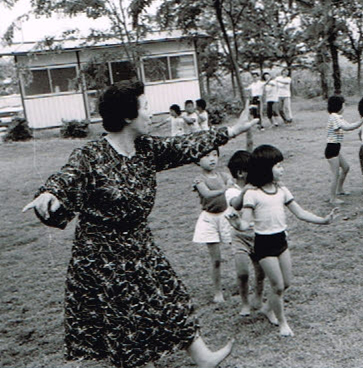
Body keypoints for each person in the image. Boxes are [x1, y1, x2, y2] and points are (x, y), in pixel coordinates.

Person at [21, 80, 259, 368]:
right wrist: (51, 193)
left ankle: (203, 356)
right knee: (126, 321)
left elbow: (183, 145)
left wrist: (233, 129)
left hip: (139, 242)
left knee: (170, 294)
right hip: (102, 255)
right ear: (127, 116)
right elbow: (69, 177)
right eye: (145, 107)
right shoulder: (92, 155)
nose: (151, 113)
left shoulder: (145, 149)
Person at [225, 145, 336, 337]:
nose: (282, 169)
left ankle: (269, 307)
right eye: (278, 166)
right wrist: (237, 225)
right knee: (277, 285)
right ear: (265, 168)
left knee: (286, 284)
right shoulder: (253, 194)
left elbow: (300, 212)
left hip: (281, 242)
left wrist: (323, 220)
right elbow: (245, 224)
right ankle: (282, 322)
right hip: (264, 245)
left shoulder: (282, 190)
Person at [225, 150, 268, 318]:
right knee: (242, 272)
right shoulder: (232, 191)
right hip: (239, 236)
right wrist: (246, 192)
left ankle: (258, 297)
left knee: (260, 271)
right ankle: (244, 302)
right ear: (241, 173)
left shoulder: (257, 189)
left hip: (257, 234)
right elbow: (235, 204)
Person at [192, 148, 234, 303]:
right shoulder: (199, 179)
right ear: (197, 161)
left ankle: (243, 279)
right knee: (216, 259)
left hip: (226, 216)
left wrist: (230, 183)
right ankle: (217, 292)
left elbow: (233, 184)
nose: (212, 159)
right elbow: (207, 194)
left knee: (238, 250)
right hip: (209, 219)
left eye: (215, 155)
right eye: (206, 156)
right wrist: (225, 188)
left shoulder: (224, 175)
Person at [325, 95, 363, 204]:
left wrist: (361, 123)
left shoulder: (339, 117)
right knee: (335, 174)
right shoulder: (334, 117)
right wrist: (361, 122)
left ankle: (339, 190)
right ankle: (332, 198)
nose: (344, 107)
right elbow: (347, 128)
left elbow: (350, 125)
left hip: (336, 148)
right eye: (344, 105)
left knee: (346, 168)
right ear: (339, 106)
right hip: (332, 148)